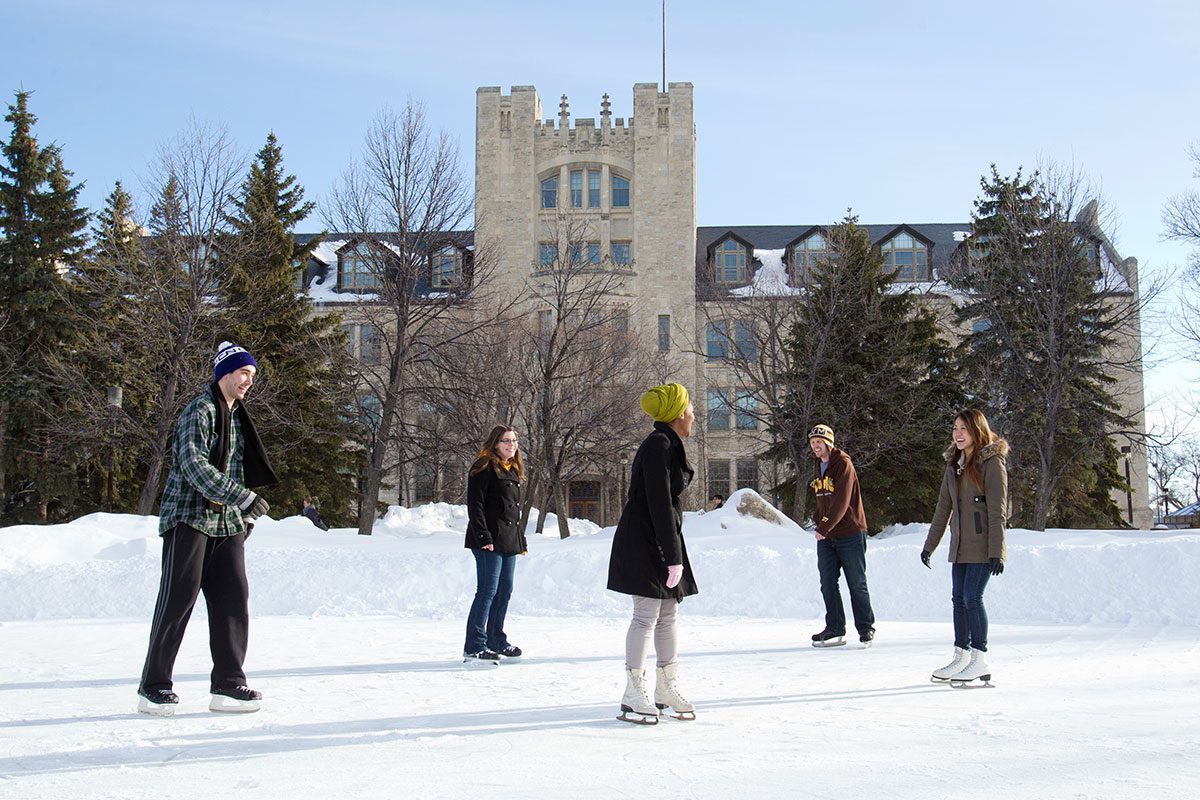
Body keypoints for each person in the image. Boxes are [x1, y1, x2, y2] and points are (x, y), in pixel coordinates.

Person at [137, 341, 277, 716]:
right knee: (177, 602)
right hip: (189, 518)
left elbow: (237, 468)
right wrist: (243, 498)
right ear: (224, 375)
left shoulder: (237, 417)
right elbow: (194, 467)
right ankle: (153, 687)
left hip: (226, 521)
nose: (249, 381)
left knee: (234, 599)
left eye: (252, 375)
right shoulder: (198, 412)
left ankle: (229, 685)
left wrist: (243, 515)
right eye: (243, 373)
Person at [608, 383, 698, 724]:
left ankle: (665, 688)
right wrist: (671, 555)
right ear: (677, 415)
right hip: (645, 540)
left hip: (659, 537)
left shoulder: (668, 444)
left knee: (668, 615)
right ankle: (633, 693)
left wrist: (672, 550)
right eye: (690, 410)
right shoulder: (658, 445)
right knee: (645, 616)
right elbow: (660, 503)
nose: (693, 416)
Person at [922, 408, 1008, 686]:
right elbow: (942, 508)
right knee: (958, 599)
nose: (958, 434)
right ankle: (961, 655)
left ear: (976, 431)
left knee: (973, 597)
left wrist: (998, 551)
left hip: (983, 545)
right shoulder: (954, 465)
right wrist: (929, 546)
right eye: (955, 428)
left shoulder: (991, 463)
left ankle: (979, 659)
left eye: (964, 429)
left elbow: (998, 511)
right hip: (959, 545)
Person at [462, 425, 527, 665]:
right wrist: (483, 537)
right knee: (487, 591)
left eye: (514, 441)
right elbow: (475, 506)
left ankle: (495, 639)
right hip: (488, 540)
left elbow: (513, 511)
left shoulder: (513, 469)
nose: (511, 445)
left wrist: (521, 540)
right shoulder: (483, 468)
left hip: (508, 540)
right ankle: (475, 645)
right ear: (495, 444)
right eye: (506, 441)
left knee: (504, 591)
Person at [807, 424, 876, 648]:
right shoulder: (818, 464)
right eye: (813, 443)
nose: (816, 446)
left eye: (819, 442)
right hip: (827, 535)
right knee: (827, 583)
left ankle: (866, 628)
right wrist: (819, 520)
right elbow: (822, 499)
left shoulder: (842, 463)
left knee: (856, 582)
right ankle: (835, 628)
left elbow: (841, 500)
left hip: (850, 532)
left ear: (829, 443)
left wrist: (823, 526)